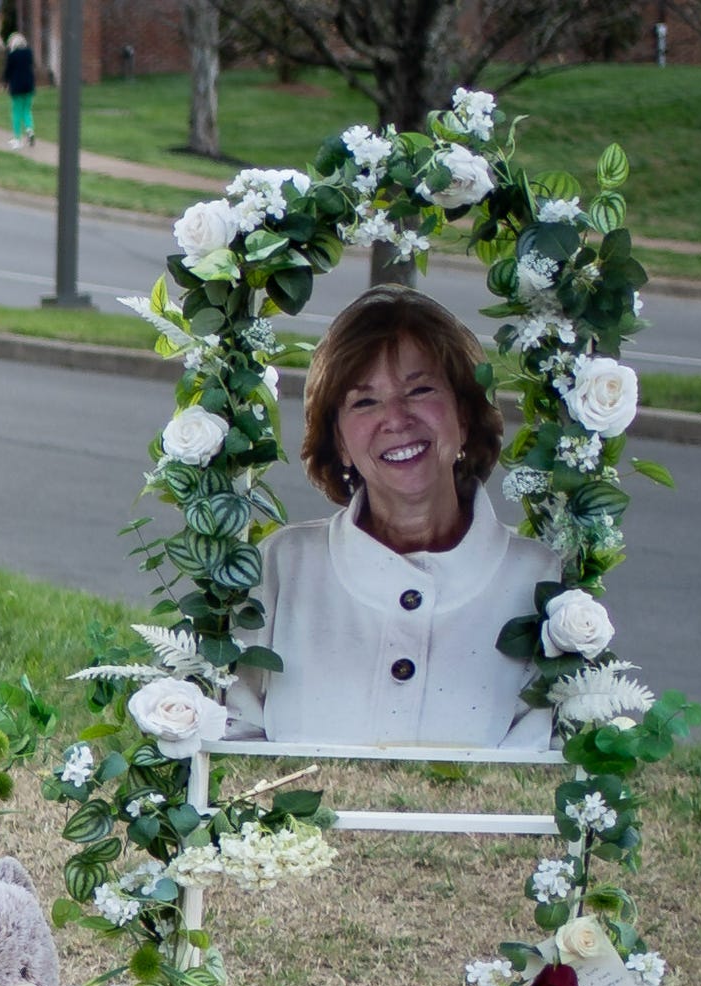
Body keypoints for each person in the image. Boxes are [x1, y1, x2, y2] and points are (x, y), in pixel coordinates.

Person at [233, 289, 561, 750]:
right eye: (365, 402)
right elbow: (232, 745)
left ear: (464, 415)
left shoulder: (540, 580)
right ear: (340, 442)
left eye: (420, 390)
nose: (396, 419)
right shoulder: (282, 566)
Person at [4, 24, 37, 143]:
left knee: (16, 111)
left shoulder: (12, 55)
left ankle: (17, 138)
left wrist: (6, 83)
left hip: (17, 87)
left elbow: (8, 71)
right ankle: (29, 130)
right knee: (27, 110)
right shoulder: (29, 53)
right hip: (29, 86)